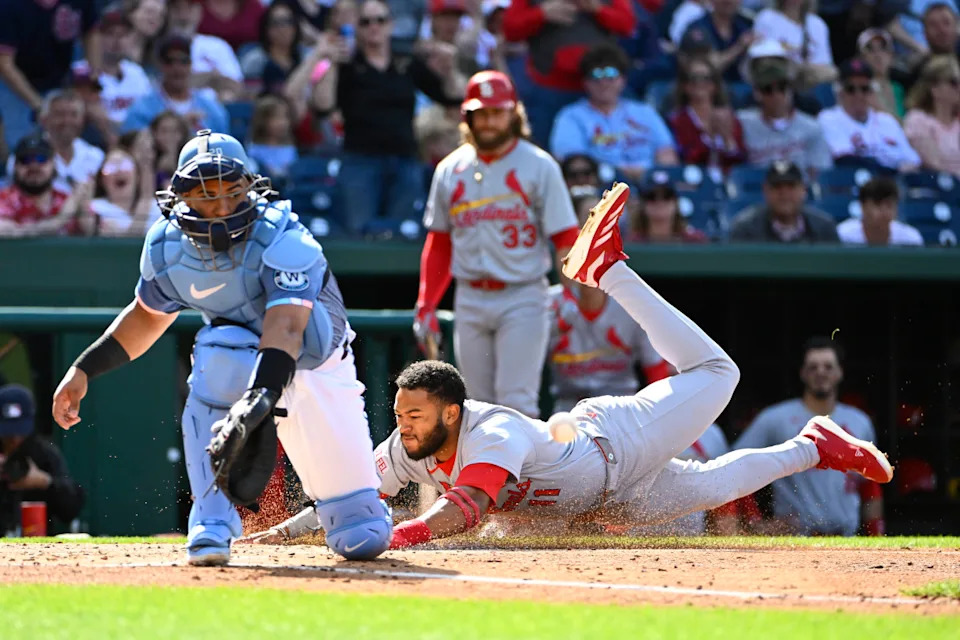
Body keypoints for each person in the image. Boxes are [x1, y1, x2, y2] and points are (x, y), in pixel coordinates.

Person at [247, 183, 893, 547]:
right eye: (399, 416)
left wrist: (398, 538)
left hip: (615, 441)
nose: (404, 427)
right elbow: (351, 501)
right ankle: (813, 446)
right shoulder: (408, 447)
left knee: (720, 373)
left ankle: (606, 271)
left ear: (451, 412)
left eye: (414, 416)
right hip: (608, 496)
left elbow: (463, 511)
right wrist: (280, 536)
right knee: (710, 486)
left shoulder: (489, 432)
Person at [51, 129, 393, 565]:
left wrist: (258, 398)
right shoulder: (165, 246)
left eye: (231, 191)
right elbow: (147, 316)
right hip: (241, 359)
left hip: (313, 362)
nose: (221, 205)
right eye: (204, 192)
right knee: (221, 350)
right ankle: (211, 521)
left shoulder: (285, 237)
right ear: (181, 195)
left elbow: (288, 330)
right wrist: (83, 370)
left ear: (250, 186)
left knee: (361, 536)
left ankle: (356, 508)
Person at [414, 70, 579, 418]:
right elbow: (440, 241)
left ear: (513, 113)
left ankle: (523, 476)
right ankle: (483, 475)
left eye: (496, 112)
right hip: (470, 295)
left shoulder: (539, 165)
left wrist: (571, 292)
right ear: (467, 116)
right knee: (474, 407)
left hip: (522, 293)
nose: (488, 121)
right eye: (481, 113)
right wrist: (427, 302)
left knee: (517, 403)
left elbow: (565, 237)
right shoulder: (450, 169)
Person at [311, 0, 462, 234]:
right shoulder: (347, 66)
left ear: (390, 25)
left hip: (404, 160)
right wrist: (330, 62)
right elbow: (323, 106)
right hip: (360, 161)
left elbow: (451, 98)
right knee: (358, 234)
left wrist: (450, 68)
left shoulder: (407, 62)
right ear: (357, 28)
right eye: (366, 22)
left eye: (380, 20)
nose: (374, 27)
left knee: (403, 233)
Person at [733, 337, 886, 536]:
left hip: (846, 539)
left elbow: (869, 485)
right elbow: (737, 465)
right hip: (796, 539)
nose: (821, 372)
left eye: (828, 366)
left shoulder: (860, 421)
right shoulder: (775, 419)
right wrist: (756, 522)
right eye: (813, 367)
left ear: (840, 372)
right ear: (803, 373)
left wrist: (876, 536)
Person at [549, 191, 669, 414]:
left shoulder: (631, 302)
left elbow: (656, 369)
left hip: (621, 406)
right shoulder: (549, 304)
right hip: (567, 409)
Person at [550, 43, 679, 182]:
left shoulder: (644, 112)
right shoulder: (571, 116)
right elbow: (575, 164)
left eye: (611, 75)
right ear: (585, 82)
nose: (604, 83)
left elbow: (667, 154)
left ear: (623, 80)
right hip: (601, 187)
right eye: (596, 76)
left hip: (651, 188)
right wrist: (626, 175)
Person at [0, 385, 85, 538]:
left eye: (20, 432)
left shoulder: (44, 454)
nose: (14, 439)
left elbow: (72, 507)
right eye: (7, 433)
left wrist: (45, 482)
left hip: (38, 543)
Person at [817, 58, 921, 172]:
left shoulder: (887, 121)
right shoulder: (829, 118)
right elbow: (845, 159)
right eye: (851, 89)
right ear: (840, 91)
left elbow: (913, 160)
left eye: (864, 89)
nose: (859, 95)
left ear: (872, 91)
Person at [736, 57, 834, 175]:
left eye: (782, 87)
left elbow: (820, 173)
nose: (776, 95)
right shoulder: (742, 123)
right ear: (757, 93)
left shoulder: (811, 127)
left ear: (791, 89)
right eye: (768, 89)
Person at [122, 34, 230, 135]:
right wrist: (178, 126)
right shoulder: (142, 109)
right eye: (170, 61)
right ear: (160, 65)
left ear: (190, 64)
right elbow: (133, 146)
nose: (177, 68)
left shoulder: (211, 109)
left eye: (183, 61)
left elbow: (226, 148)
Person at [0, 134, 95, 238]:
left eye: (41, 159)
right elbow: (8, 232)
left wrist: (83, 204)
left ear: (54, 165)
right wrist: (58, 221)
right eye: (26, 160)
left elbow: (93, 235)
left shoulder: (66, 200)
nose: (34, 166)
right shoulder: (4, 199)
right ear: (15, 167)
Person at [667, 56, 747, 173]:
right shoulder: (677, 121)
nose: (700, 83)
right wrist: (710, 137)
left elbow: (741, 162)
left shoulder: (730, 118)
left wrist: (727, 139)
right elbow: (686, 160)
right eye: (693, 78)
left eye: (706, 78)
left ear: (714, 84)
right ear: (685, 85)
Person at [729, 160, 839, 243]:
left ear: (803, 190)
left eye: (791, 186)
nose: (784, 194)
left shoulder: (824, 227)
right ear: (765, 191)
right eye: (777, 187)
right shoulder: (746, 229)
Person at [903, 55, 960, 177]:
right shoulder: (918, 120)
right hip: (938, 188)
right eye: (954, 82)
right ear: (934, 88)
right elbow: (934, 164)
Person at [88, 145, 162, 237]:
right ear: (102, 180)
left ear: (137, 176)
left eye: (125, 165)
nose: (119, 171)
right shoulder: (96, 208)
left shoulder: (157, 207)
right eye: (111, 167)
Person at [837, 176, 924, 246]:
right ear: (863, 207)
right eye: (877, 204)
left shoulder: (910, 239)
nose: (884, 210)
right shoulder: (843, 235)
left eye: (889, 204)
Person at [627, 170, 709, 243]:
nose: (660, 202)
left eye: (667, 196)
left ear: (675, 202)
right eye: (651, 196)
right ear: (643, 203)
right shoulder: (632, 243)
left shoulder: (694, 241)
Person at [246, 96, 300, 183]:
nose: (282, 123)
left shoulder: (291, 149)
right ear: (263, 121)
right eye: (276, 118)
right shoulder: (253, 150)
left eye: (285, 117)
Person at [858, 28, 905, 121]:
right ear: (861, 58)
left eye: (883, 48)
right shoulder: (860, 89)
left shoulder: (899, 88)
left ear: (891, 55)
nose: (878, 55)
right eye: (870, 49)